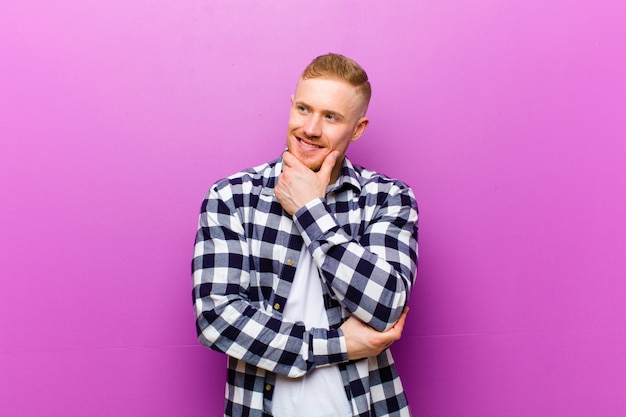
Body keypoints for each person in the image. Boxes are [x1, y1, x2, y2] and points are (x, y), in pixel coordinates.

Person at [192, 53, 418, 417]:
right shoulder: (232, 197)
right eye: (303, 109)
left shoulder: (387, 198)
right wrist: (338, 344)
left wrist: (309, 210)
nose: (311, 128)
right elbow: (218, 320)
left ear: (358, 128)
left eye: (331, 117)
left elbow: (386, 305)